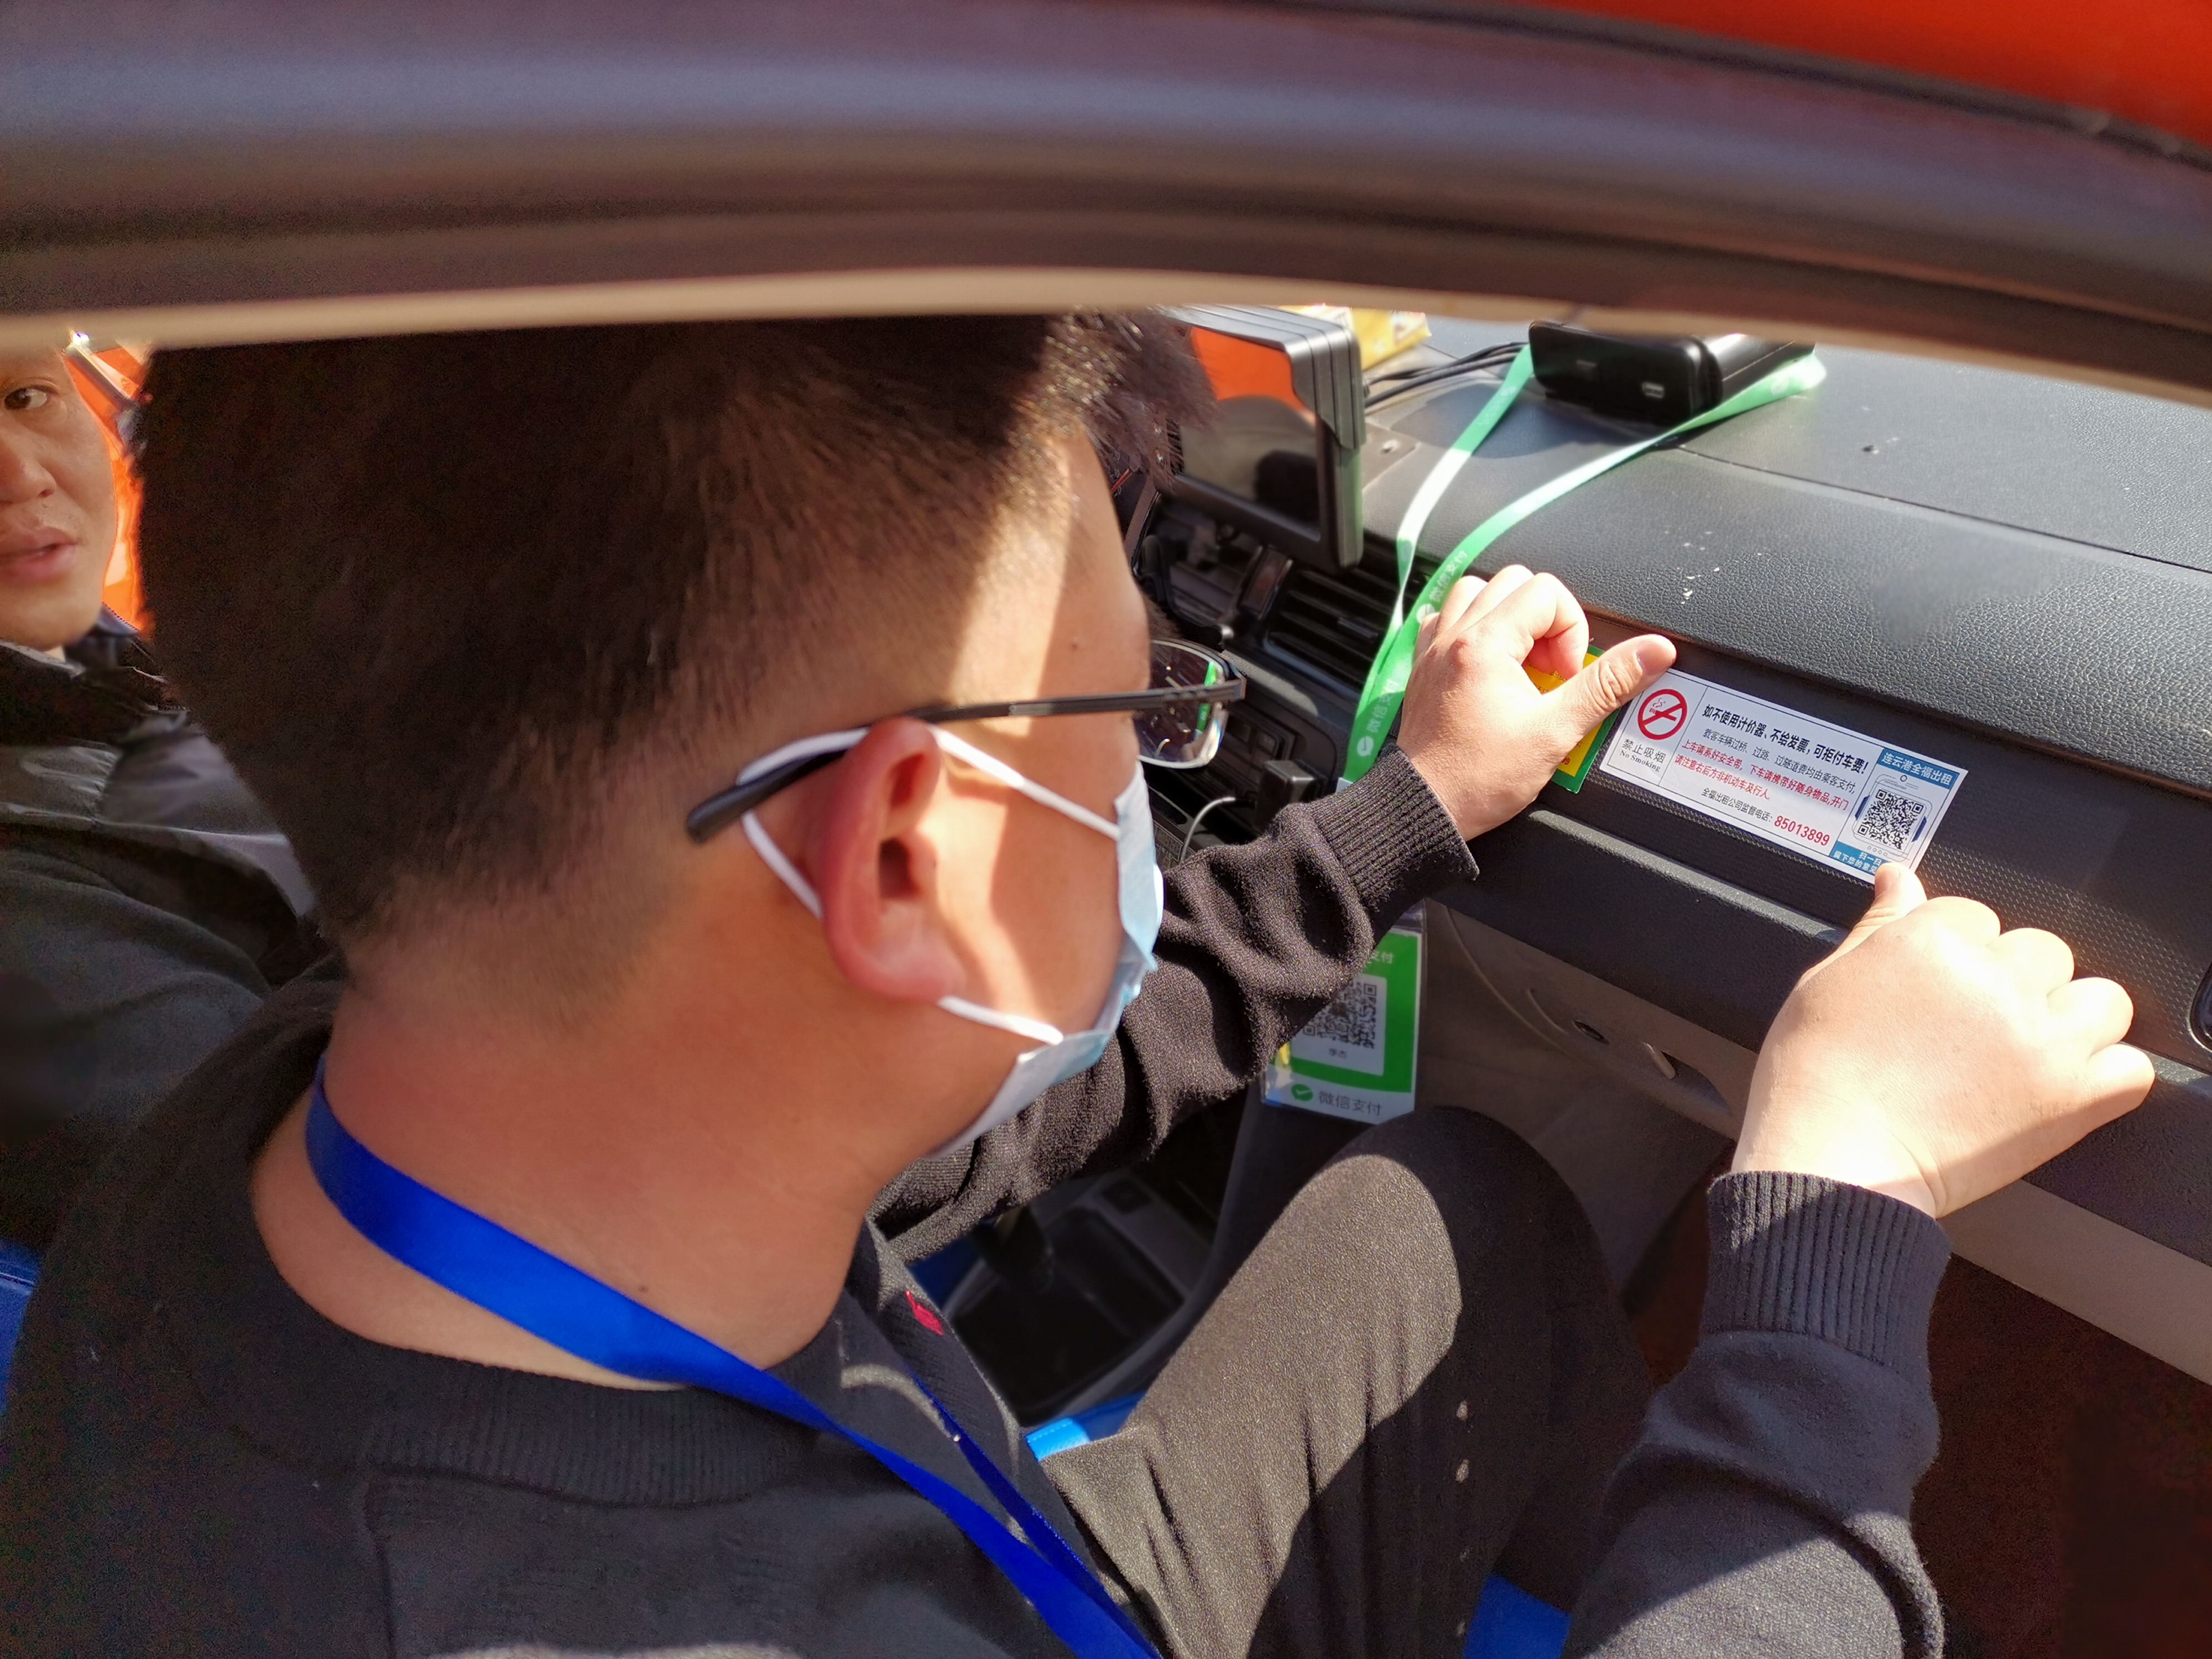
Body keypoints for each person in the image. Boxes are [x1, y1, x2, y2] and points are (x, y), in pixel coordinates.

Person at [0, 316, 2148, 1659]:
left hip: (1004, 1542)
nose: (1164, 754)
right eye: (1144, 705)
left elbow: (964, 1126)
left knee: (1451, 1214)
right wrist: (1835, 1226)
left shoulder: (340, 1110)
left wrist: (1404, 815)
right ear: (903, 857)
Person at [0, 346, 316, 1252]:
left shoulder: (84, 654)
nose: (19, 473)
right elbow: (305, 1217)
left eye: (26, 395)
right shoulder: (29, 924)